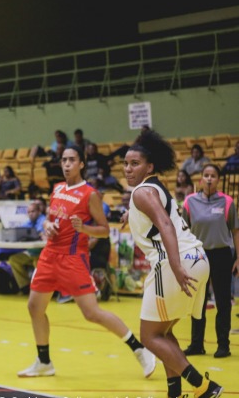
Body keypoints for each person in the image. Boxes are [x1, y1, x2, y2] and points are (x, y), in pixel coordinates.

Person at [18, 145, 156, 379]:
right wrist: (47, 226)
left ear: (81, 164)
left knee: (91, 313)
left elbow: (103, 230)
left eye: (72, 160)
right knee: (34, 307)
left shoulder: (89, 194)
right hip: (50, 255)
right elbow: (51, 219)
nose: (67, 164)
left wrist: (85, 228)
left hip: (73, 258)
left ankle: (139, 349)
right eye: (64, 160)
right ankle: (44, 362)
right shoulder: (57, 188)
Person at [123, 130, 223, 398]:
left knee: (149, 337)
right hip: (198, 258)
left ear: (150, 166)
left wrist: (176, 266)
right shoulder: (156, 188)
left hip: (174, 262)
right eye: (126, 163)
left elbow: (165, 224)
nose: (128, 169)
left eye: (135, 164)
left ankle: (203, 387)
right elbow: (160, 217)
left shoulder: (142, 192)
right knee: (163, 332)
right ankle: (174, 393)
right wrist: (129, 216)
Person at [181, 164, 239, 359]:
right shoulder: (189, 202)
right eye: (206, 175)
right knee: (198, 301)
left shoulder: (227, 202)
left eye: (213, 176)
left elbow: (235, 231)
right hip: (197, 255)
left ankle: (224, 345)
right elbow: (183, 231)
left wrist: (238, 257)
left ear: (218, 180)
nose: (209, 179)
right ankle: (197, 344)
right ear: (200, 179)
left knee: (223, 301)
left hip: (222, 255)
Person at [7, 200, 46, 294]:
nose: (31, 214)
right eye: (29, 212)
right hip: (31, 253)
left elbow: (40, 234)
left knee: (38, 263)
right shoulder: (28, 222)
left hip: (42, 254)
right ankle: (25, 287)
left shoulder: (43, 220)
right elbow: (20, 232)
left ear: (39, 212)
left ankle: (42, 290)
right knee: (13, 259)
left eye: (33, 212)